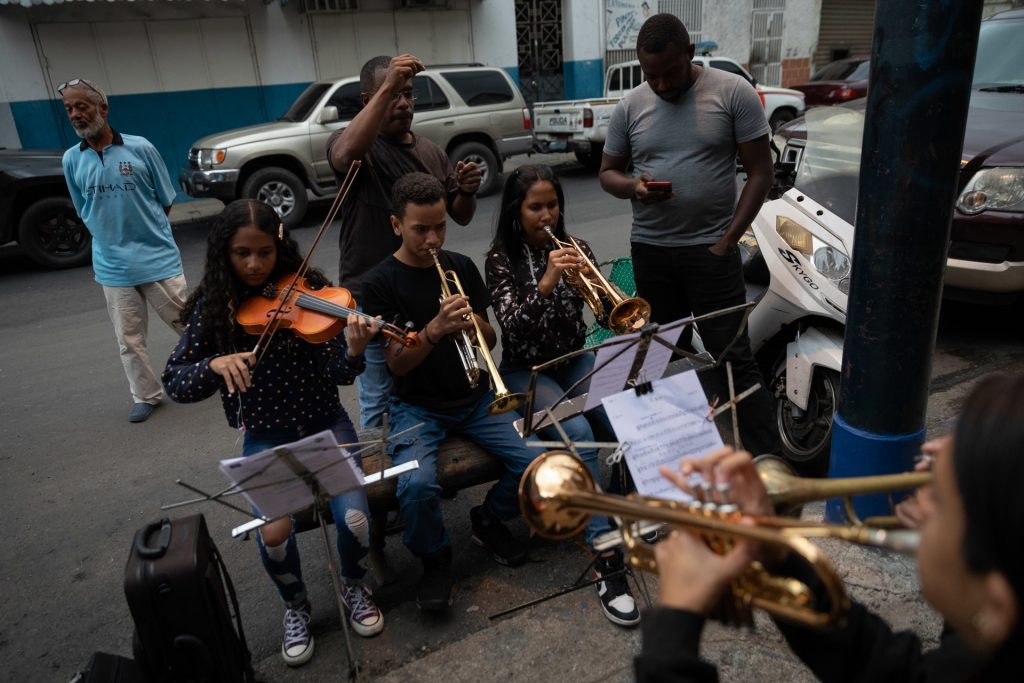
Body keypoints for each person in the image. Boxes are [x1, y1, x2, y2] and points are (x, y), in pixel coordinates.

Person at [635, 373, 1024, 681]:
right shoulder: (987, 638)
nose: (920, 486)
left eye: (937, 501)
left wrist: (674, 629)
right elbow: (889, 672)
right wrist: (778, 554)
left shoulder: (989, 630)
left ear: (995, 603)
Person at [162, 199, 384, 667]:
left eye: (264, 252)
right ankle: (296, 607)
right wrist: (213, 364)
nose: (254, 264)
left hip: (327, 422)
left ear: (278, 247)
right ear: (225, 253)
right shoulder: (215, 306)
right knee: (276, 531)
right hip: (265, 433)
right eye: (242, 253)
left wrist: (354, 350)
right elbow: (175, 380)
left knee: (355, 519)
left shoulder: (312, 291)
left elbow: (339, 374)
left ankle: (353, 585)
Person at [598, 14, 780, 456]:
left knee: (733, 358)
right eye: (650, 75)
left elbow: (760, 173)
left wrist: (726, 242)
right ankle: (671, 461)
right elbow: (607, 173)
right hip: (652, 253)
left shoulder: (733, 92)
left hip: (711, 254)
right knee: (659, 359)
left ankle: (770, 467)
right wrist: (634, 188)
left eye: (669, 73)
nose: (660, 85)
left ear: (690, 53)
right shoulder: (631, 105)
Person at [360, 172, 538, 611]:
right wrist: (436, 329)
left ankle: (488, 518)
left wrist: (475, 324)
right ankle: (435, 558)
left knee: (535, 464)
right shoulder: (380, 284)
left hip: (476, 396)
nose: (433, 238)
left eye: (440, 226)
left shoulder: (460, 265)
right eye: (421, 228)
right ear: (396, 225)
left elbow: (489, 341)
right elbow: (397, 364)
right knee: (417, 487)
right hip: (417, 406)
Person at [485, 164, 639, 627]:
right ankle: (605, 558)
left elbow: (603, 318)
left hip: (573, 359)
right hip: (525, 371)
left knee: (624, 415)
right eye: (536, 207)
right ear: (517, 211)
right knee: (576, 432)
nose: (547, 214)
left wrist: (601, 300)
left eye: (553, 204)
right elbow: (512, 327)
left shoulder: (578, 249)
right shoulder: (499, 260)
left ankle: (625, 510)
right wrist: (548, 282)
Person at [328, 54, 482, 430]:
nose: (403, 103)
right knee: (377, 395)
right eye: (393, 94)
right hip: (369, 290)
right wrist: (388, 87)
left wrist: (466, 190)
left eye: (408, 94)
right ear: (369, 100)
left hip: (423, 286)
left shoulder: (430, 151)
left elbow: (460, 215)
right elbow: (346, 155)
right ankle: (385, 481)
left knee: (424, 382)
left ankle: (425, 462)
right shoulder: (353, 141)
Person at [60, 77, 187, 423]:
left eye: (81, 106)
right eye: (69, 108)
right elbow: (82, 207)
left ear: (102, 108)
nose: (75, 114)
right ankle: (145, 395)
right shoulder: (72, 160)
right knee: (128, 340)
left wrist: (147, 235)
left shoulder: (141, 148)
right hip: (112, 266)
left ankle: (221, 372)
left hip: (157, 260)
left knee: (189, 323)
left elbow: (165, 200)